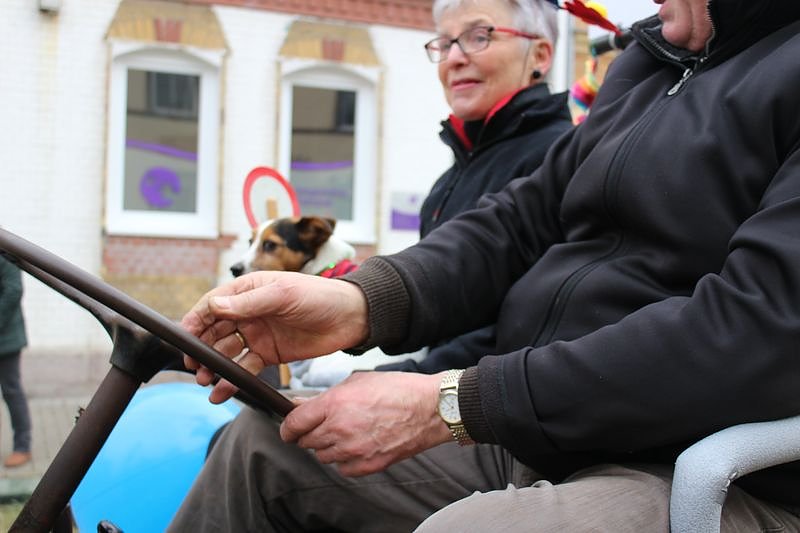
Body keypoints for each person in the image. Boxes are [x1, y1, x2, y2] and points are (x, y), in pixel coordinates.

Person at [170, 0, 800, 530]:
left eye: (478, 36)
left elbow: (755, 331)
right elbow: (520, 220)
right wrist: (359, 304)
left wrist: (451, 403)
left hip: (703, 467)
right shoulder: (653, 65)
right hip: (540, 433)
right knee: (258, 447)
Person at [291, 0, 572, 385]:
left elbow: (524, 329)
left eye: (479, 36)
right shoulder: (449, 181)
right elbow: (439, 317)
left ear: (539, 54)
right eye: (445, 43)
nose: (454, 58)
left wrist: (394, 380)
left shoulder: (557, 161)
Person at [0, 256, 32, 468]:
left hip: (6, 339)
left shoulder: (4, 252)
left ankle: (23, 447)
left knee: (12, 391)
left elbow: (13, 291)